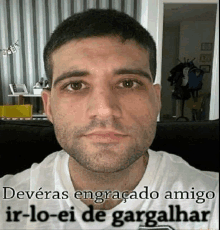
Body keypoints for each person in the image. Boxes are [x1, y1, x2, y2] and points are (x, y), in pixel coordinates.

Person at [0, 9, 218, 230]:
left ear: (156, 100)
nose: (104, 110)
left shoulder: (210, 200)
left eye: (128, 83)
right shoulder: (7, 203)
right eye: (75, 85)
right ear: (49, 107)